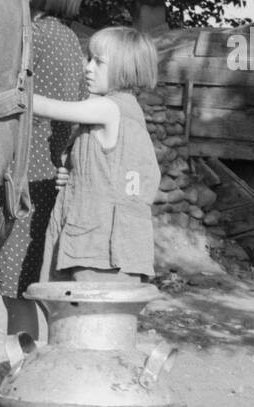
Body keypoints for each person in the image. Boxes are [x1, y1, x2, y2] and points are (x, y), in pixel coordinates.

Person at [0, 0, 87, 336]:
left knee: (20, 295)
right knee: (35, 290)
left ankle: (24, 372)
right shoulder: (68, 40)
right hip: (46, 179)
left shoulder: (35, 37)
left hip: (25, 179)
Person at [33, 26, 160, 282]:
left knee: (90, 317)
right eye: (88, 59)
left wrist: (12, 92)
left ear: (123, 69)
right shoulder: (128, 113)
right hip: (103, 246)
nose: (88, 67)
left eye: (97, 62)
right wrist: (74, 175)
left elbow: (47, 107)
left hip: (98, 250)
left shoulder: (108, 108)